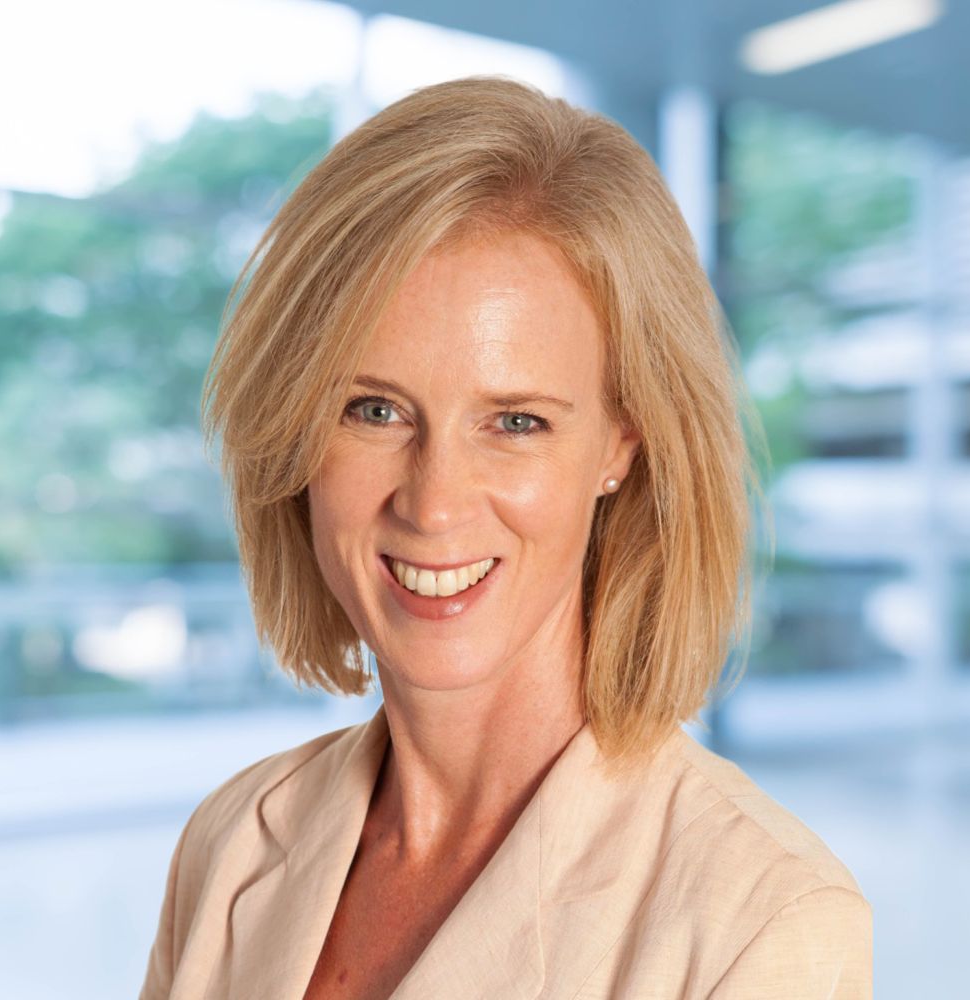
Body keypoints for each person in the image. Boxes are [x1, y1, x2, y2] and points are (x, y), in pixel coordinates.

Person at [138, 75, 872, 1000]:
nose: (434, 503)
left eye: (516, 421)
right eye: (373, 410)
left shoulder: (759, 919)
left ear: (621, 441)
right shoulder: (232, 841)